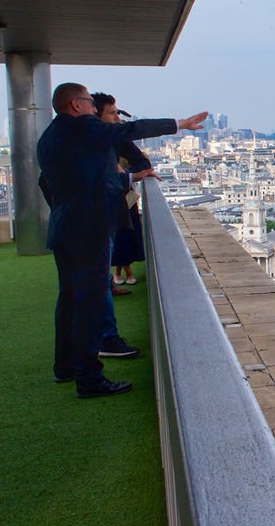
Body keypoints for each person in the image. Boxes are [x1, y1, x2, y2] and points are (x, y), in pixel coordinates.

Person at [38, 82, 206, 398]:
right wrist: (180, 124)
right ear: (76, 105)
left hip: (65, 227)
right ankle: (89, 379)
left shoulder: (50, 137)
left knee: (70, 300)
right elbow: (131, 130)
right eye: (88, 102)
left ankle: (66, 367)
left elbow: (57, 181)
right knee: (90, 302)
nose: (92, 108)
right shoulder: (83, 128)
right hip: (89, 229)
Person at [92, 92, 150, 357]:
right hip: (92, 215)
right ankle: (104, 340)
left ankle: (100, 339)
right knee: (90, 281)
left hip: (106, 211)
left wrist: (126, 174)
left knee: (95, 276)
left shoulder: (113, 140)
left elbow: (140, 161)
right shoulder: (90, 142)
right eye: (113, 113)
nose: (118, 117)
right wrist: (127, 176)